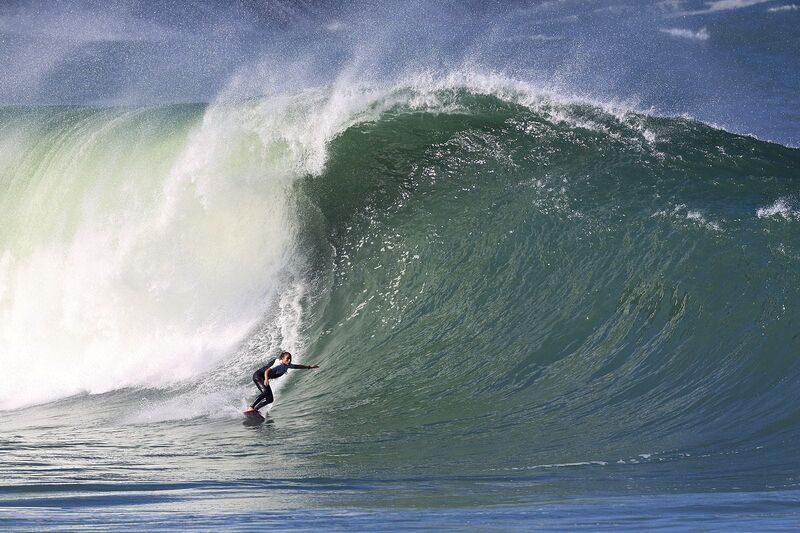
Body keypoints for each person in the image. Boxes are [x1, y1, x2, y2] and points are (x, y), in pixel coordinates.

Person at [245, 351, 319, 413]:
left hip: (263, 378)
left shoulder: (287, 365)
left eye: (290, 359)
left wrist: (309, 367)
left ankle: (256, 409)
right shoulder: (278, 363)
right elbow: (267, 371)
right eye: (287, 359)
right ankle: (251, 407)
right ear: (282, 358)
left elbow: (297, 366)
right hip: (258, 376)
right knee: (265, 393)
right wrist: (267, 379)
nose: (289, 360)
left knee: (270, 399)